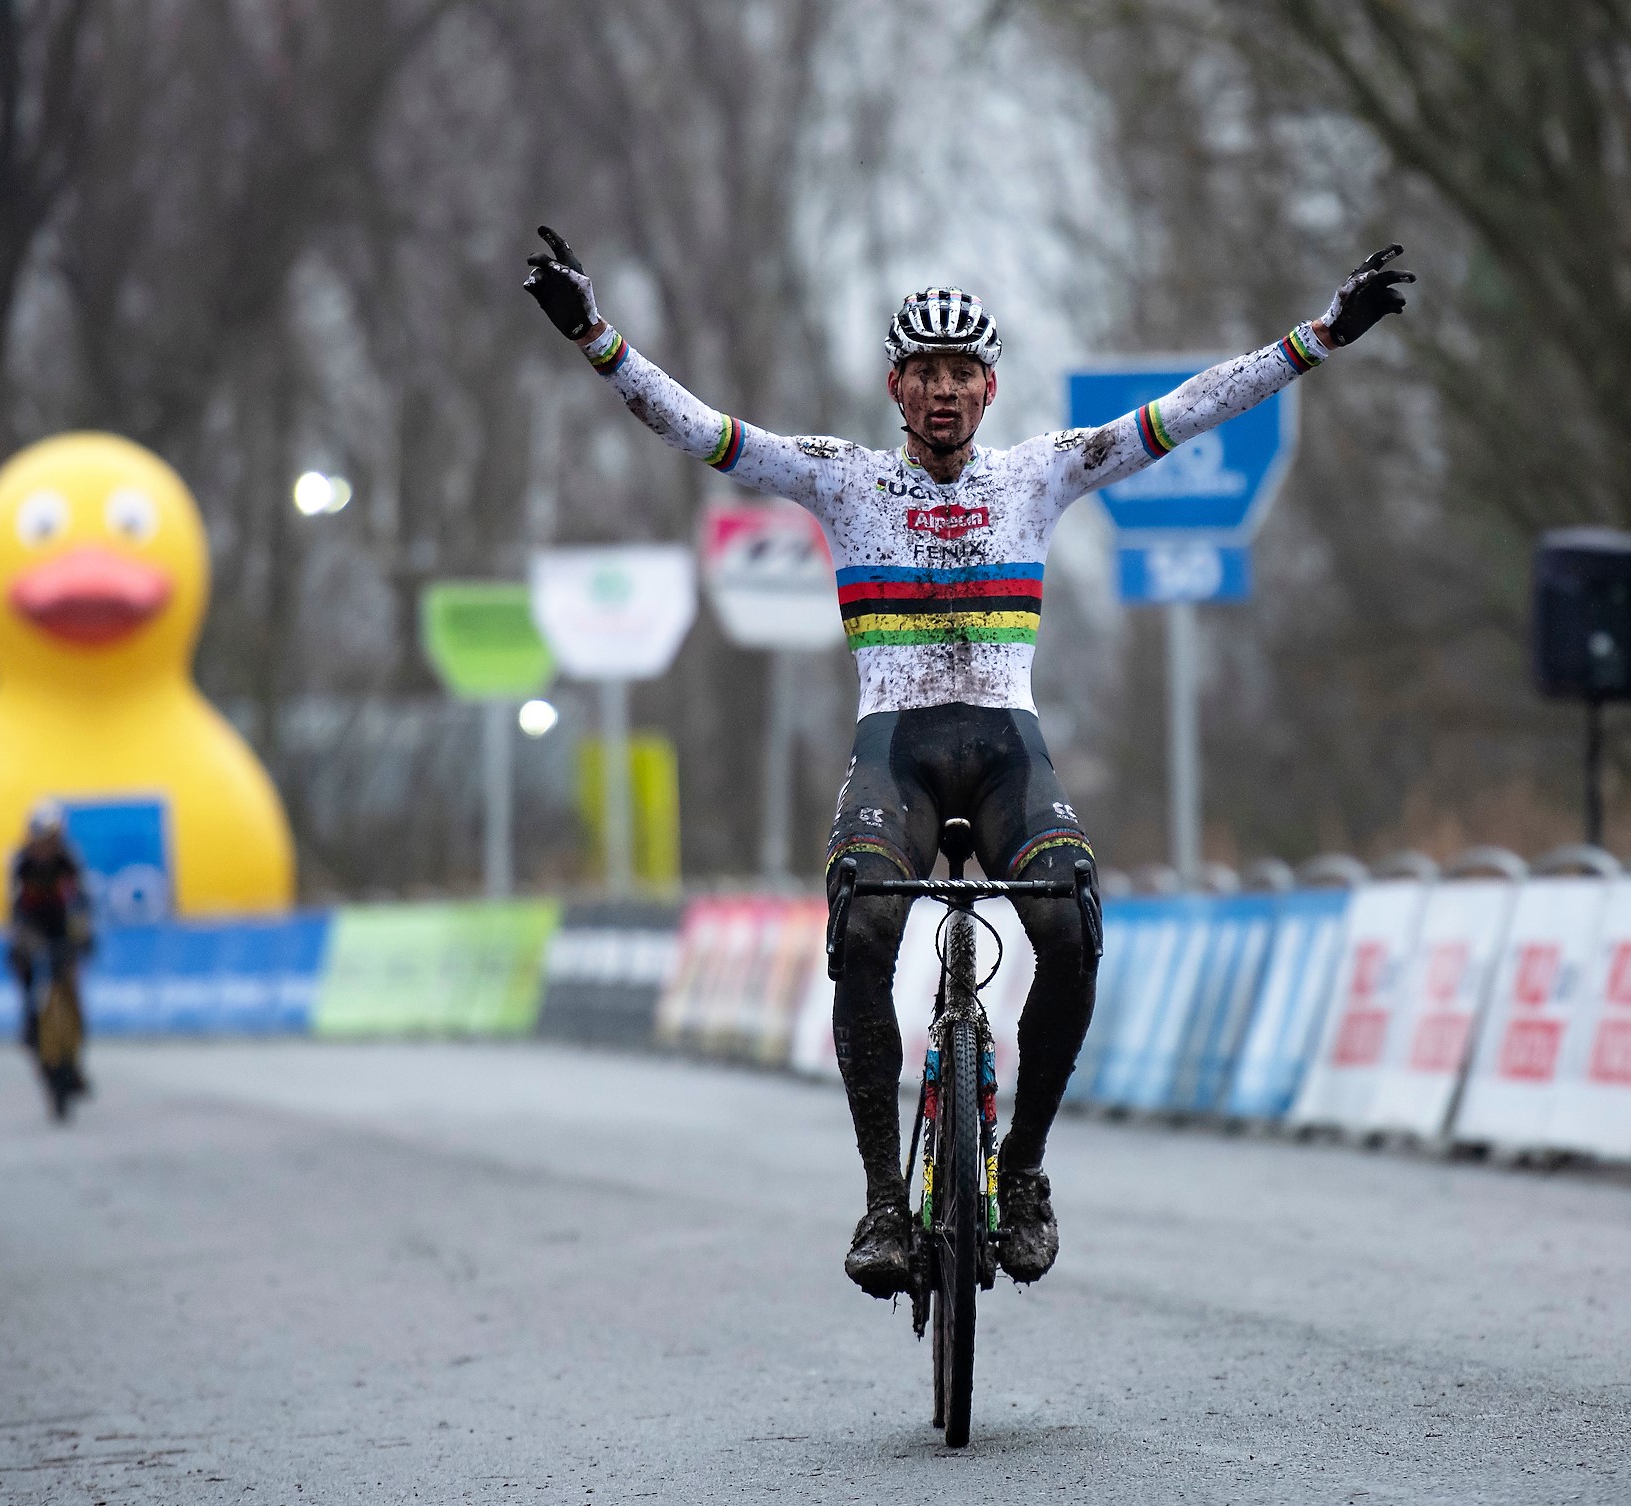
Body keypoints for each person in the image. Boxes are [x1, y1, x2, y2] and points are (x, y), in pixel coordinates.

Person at [523, 230, 1413, 1297]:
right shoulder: (840, 478)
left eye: (961, 374)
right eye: (924, 374)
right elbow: (702, 430)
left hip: (1005, 752)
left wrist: (1319, 338)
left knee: (1073, 920)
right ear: (894, 385)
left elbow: (1189, 411)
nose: (943, 392)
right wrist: (594, 335)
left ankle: (1024, 1170)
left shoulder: (1040, 474)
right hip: (892, 753)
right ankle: (881, 1206)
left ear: (988, 388)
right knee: (859, 921)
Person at [7, 803, 91, 1095]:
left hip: (59, 928)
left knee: (69, 987)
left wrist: (83, 934)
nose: (46, 847)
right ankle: (30, 1027)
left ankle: (75, 1051)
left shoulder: (68, 860)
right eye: (41, 840)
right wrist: (18, 942)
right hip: (33, 928)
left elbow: (79, 901)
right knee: (27, 980)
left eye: (51, 840)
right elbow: (15, 909)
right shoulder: (21, 863)